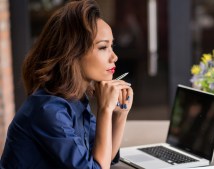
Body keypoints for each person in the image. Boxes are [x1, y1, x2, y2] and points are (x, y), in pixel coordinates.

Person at [0, 0, 133, 168]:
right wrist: (105, 110)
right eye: (102, 47)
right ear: (73, 53)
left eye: (111, 46)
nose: (114, 57)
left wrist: (120, 114)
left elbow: (103, 156)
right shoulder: (49, 110)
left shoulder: (76, 99)